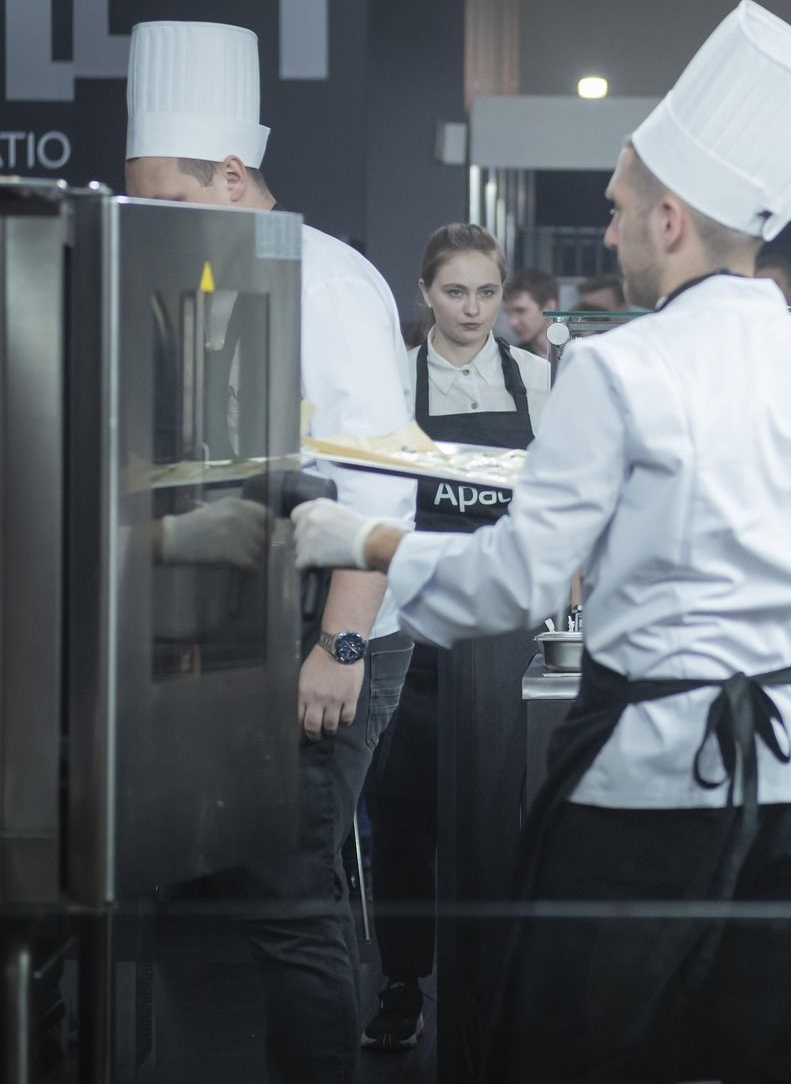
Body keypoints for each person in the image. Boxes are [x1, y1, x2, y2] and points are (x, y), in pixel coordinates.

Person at [289, 4, 791, 1080]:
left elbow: (512, 583)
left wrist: (367, 537)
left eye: (617, 211)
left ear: (670, 219)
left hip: (650, 777)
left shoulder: (622, 369)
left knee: (578, 1050)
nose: (607, 232)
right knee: (773, 1053)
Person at [121, 20, 416, 1084]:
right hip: (224, 625)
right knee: (199, 884)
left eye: (172, 198)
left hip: (331, 630)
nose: (150, 220)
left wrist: (337, 644)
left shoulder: (326, 281)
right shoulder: (188, 280)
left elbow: (380, 487)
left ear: (235, 173)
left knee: (290, 891)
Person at [361, 223, 552, 1051]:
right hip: (414, 621)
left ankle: (492, 993)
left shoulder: (539, 379)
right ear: (424, 294)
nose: (472, 311)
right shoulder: (393, 380)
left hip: (506, 630)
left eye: (485, 293)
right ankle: (403, 982)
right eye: (454, 293)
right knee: (402, 815)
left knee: (495, 819)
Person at [504, 267, 560, 357]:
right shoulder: (513, 359)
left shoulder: (581, 352)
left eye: (521, 311)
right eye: (508, 313)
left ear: (549, 307)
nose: (512, 322)